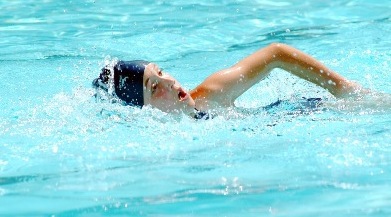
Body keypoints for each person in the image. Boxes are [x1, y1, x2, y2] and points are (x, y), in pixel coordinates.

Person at [93, 43, 371, 119]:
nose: (169, 83)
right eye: (154, 88)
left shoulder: (210, 95)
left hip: (313, 110)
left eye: (161, 72)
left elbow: (276, 53)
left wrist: (341, 88)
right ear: (143, 110)